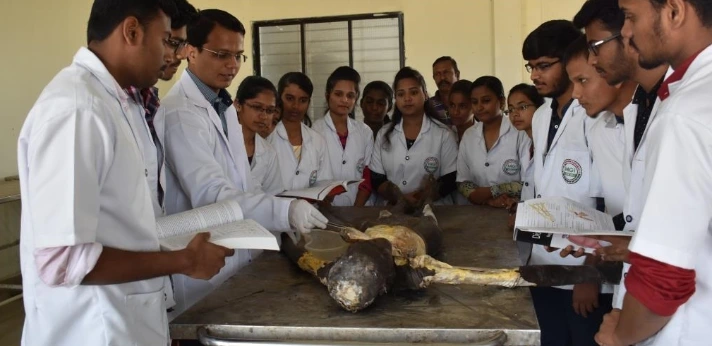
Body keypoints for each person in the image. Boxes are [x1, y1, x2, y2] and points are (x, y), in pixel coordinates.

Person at [17, 1, 234, 345]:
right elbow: (62, 261)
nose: (175, 55)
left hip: (129, 318)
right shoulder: (77, 110)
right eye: (167, 40)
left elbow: (127, 217)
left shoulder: (125, 104)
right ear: (132, 31)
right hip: (93, 329)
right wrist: (184, 260)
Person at [155, 9, 328, 319]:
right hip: (201, 274)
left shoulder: (221, 105)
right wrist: (283, 211)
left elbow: (243, 184)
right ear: (190, 52)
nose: (232, 65)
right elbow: (211, 194)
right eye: (221, 54)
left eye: (238, 56)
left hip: (235, 262)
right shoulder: (181, 114)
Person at [594, 0, 712, 345]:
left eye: (630, 17)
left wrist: (620, 335)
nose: (626, 32)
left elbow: (665, 279)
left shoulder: (686, 113)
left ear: (674, 12)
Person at [557, 0, 671, 313]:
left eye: (595, 48)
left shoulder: (680, 106)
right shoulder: (636, 110)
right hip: (645, 295)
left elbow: (680, 239)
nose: (593, 60)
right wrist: (601, 239)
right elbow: (639, 214)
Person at [522, 20, 609, 346]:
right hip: (545, 263)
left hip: (585, 270)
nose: (534, 75)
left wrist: (589, 274)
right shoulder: (543, 115)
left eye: (544, 66)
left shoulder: (595, 115)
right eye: (531, 67)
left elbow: (607, 203)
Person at [124, 0, 198, 218]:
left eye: (184, 44)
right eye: (171, 41)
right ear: (133, 33)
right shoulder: (83, 109)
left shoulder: (149, 102)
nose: (181, 55)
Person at [565, 35, 633, 221]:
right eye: (573, 83)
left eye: (583, 80)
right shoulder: (599, 131)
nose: (575, 94)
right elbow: (610, 207)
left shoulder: (659, 121)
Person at [370, 67, 459, 206]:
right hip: (394, 210)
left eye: (414, 92)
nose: (407, 99)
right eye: (401, 94)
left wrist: (420, 197)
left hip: (434, 211)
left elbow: (450, 179)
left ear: (425, 94)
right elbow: (377, 179)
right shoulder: (384, 134)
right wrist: (400, 198)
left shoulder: (443, 134)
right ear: (396, 99)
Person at [456, 76, 530, 209]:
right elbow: (462, 181)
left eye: (486, 101)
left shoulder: (519, 132)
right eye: (474, 102)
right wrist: (487, 200)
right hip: (478, 212)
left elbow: (528, 182)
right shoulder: (469, 135)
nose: (479, 107)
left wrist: (492, 191)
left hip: (515, 210)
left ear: (501, 102)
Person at [312, 66, 374, 206]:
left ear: (356, 98)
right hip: (324, 209)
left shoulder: (364, 132)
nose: (344, 100)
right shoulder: (315, 131)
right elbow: (312, 177)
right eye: (338, 94)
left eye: (350, 95)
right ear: (328, 95)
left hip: (358, 208)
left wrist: (356, 211)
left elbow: (367, 175)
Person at [269, 72, 334, 190]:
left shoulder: (317, 140)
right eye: (289, 98)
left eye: (303, 100)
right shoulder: (267, 136)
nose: (295, 106)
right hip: (275, 207)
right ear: (279, 98)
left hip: (308, 208)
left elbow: (324, 182)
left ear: (309, 103)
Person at [505, 84, 545, 264]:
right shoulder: (527, 145)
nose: (515, 114)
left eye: (522, 107)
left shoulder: (546, 145)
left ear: (540, 108)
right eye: (511, 109)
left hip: (546, 234)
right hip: (529, 232)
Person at [234, 76, 284, 195]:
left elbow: (274, 195)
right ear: (238, 104)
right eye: (257, 107)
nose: (264, 116)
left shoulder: (269, 152)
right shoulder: (221, 142)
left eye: (270, 110)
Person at [429, 56, 459, 124]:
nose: (442, 78)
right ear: (434, 78)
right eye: (437, 74)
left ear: (457, 75)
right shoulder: (428, 107)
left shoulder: (470, 102)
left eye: (446, 72)